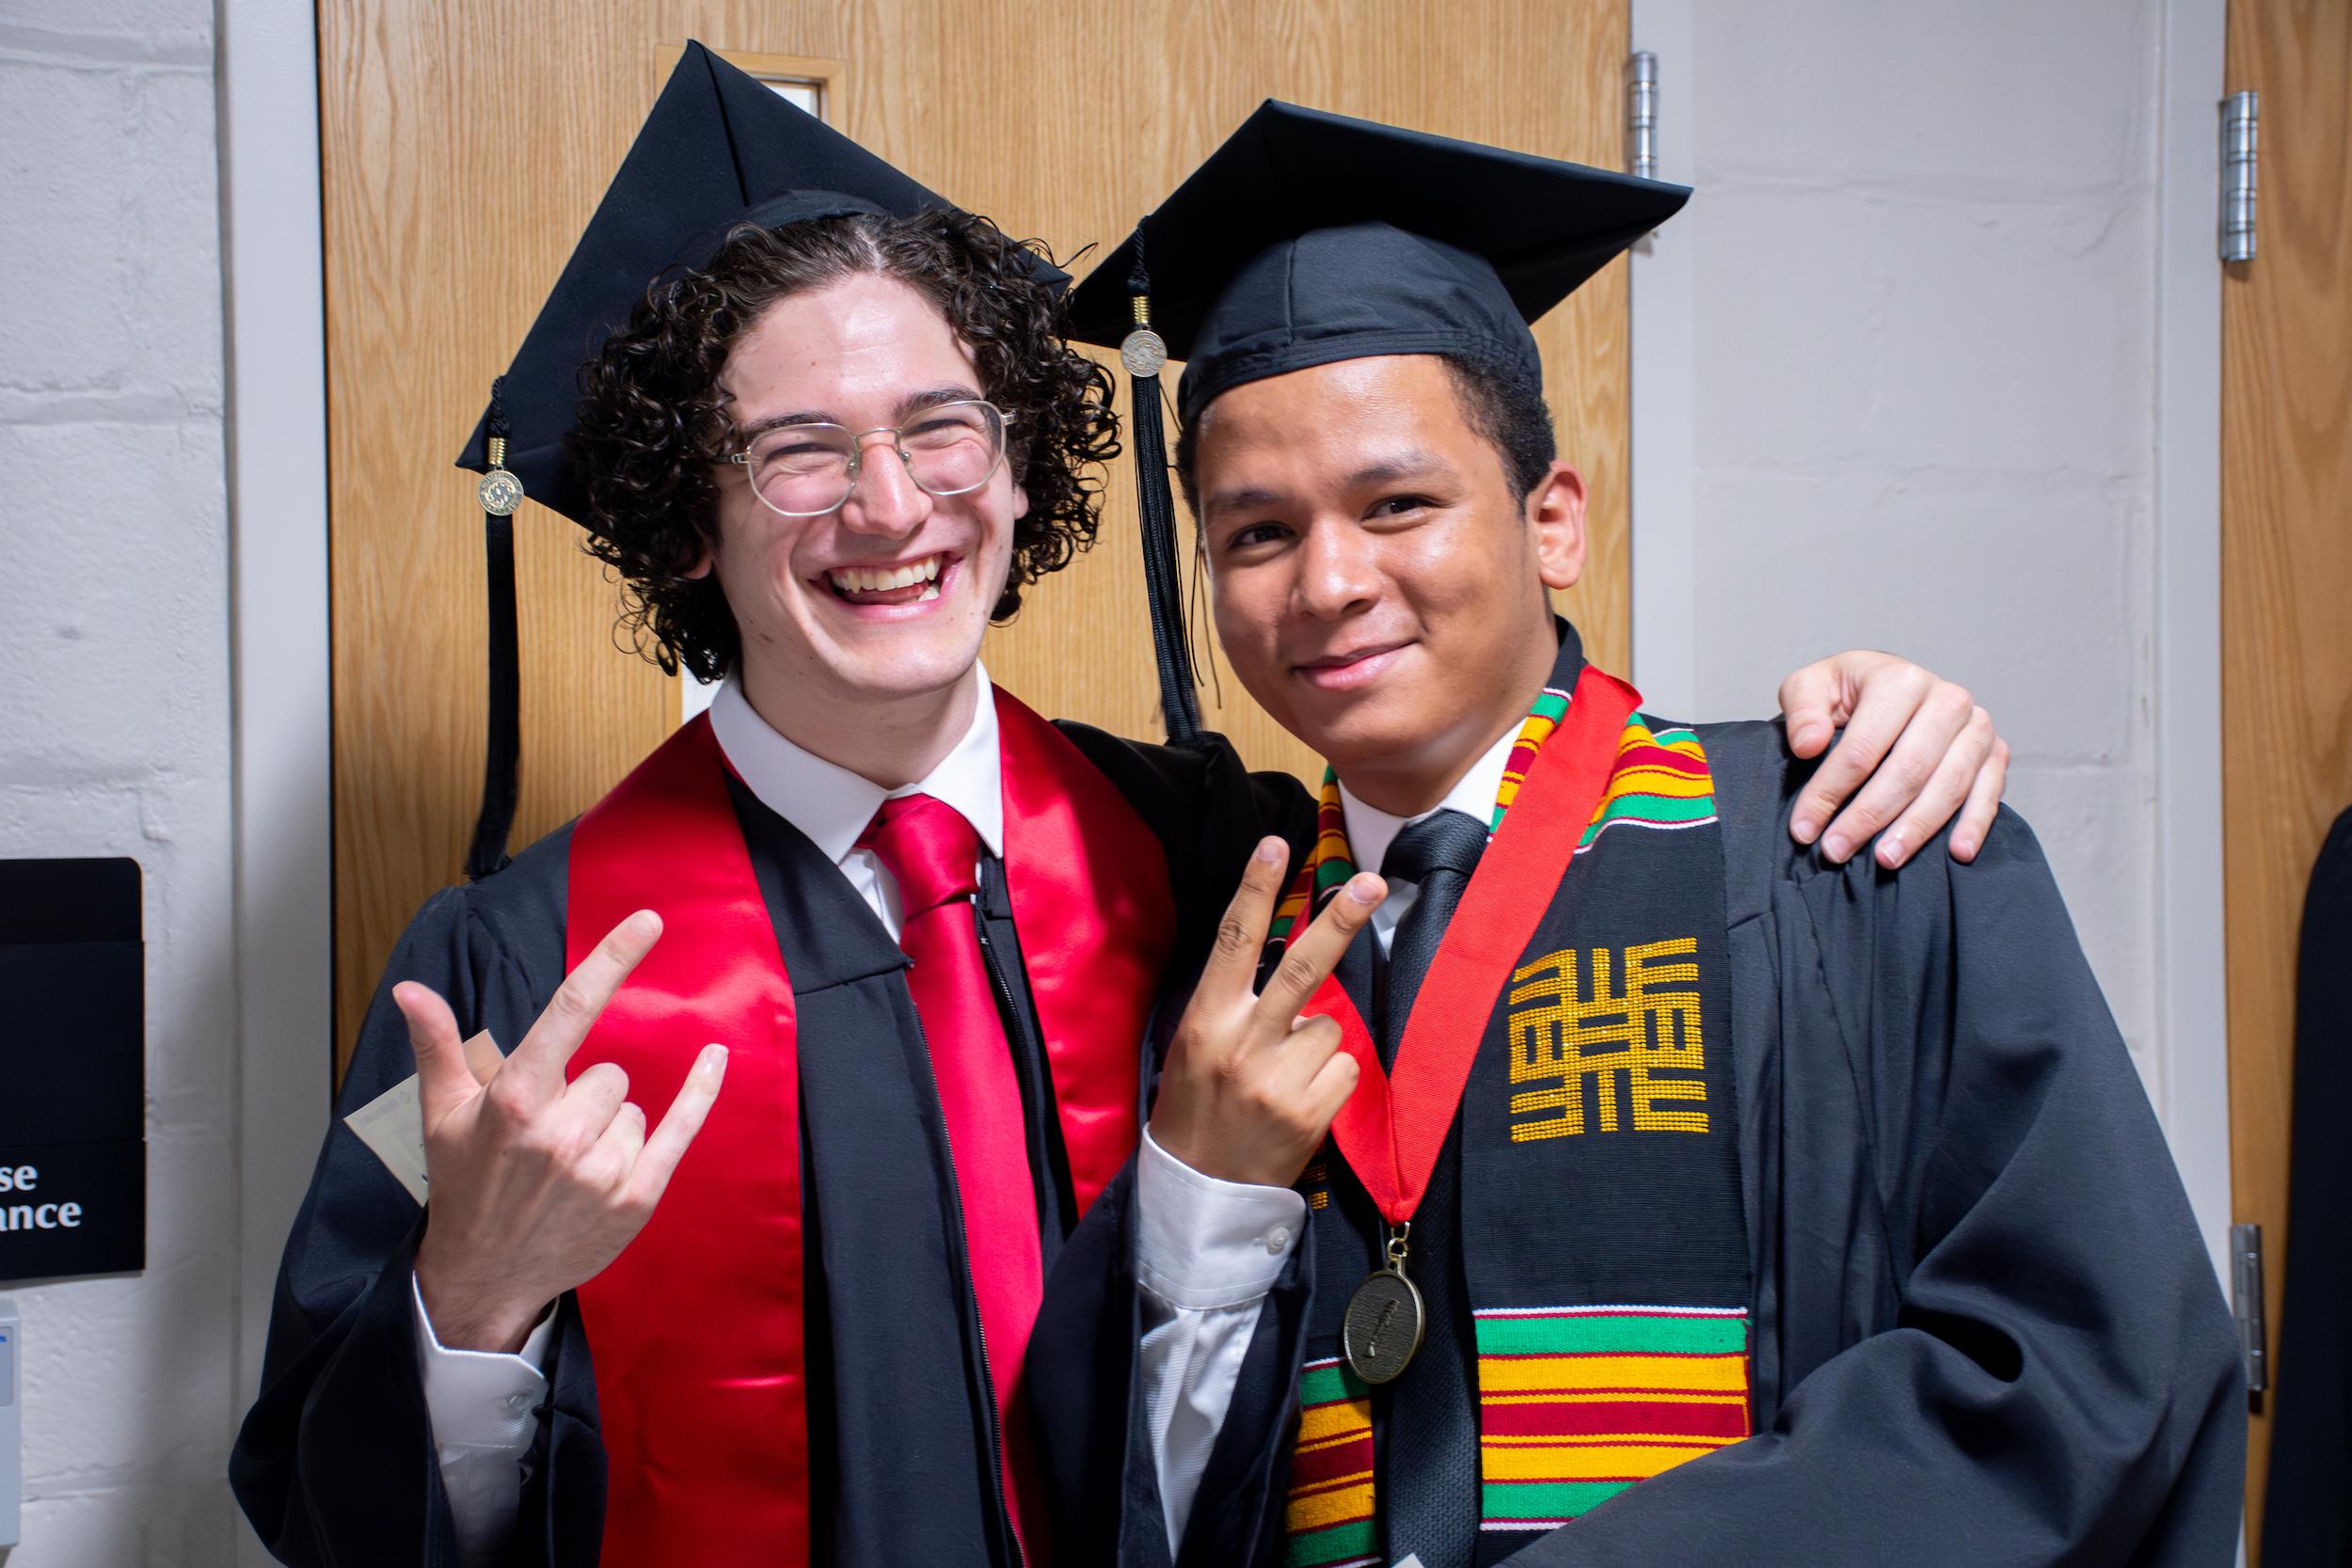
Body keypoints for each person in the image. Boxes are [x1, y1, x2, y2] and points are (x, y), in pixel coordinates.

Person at [230, 53, 2017, 1568]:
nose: (887, 504)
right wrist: (467, 1314)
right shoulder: (510, 975)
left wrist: (1851, 719)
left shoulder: (1212, 852)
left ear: (1016, 471)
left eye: (943, 429)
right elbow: (320, 1501)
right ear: (686, 523)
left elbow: (1494, 783)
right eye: (794, 453)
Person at [1034, 101, 2244, 1568]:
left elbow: (2079, 1374)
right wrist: (1202, 1209)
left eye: (1397, 502)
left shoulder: (1851, 844)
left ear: (1553, 521)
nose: (1329, 582)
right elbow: (1122, 1499)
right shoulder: (1235, 970)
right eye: (1258, 534)